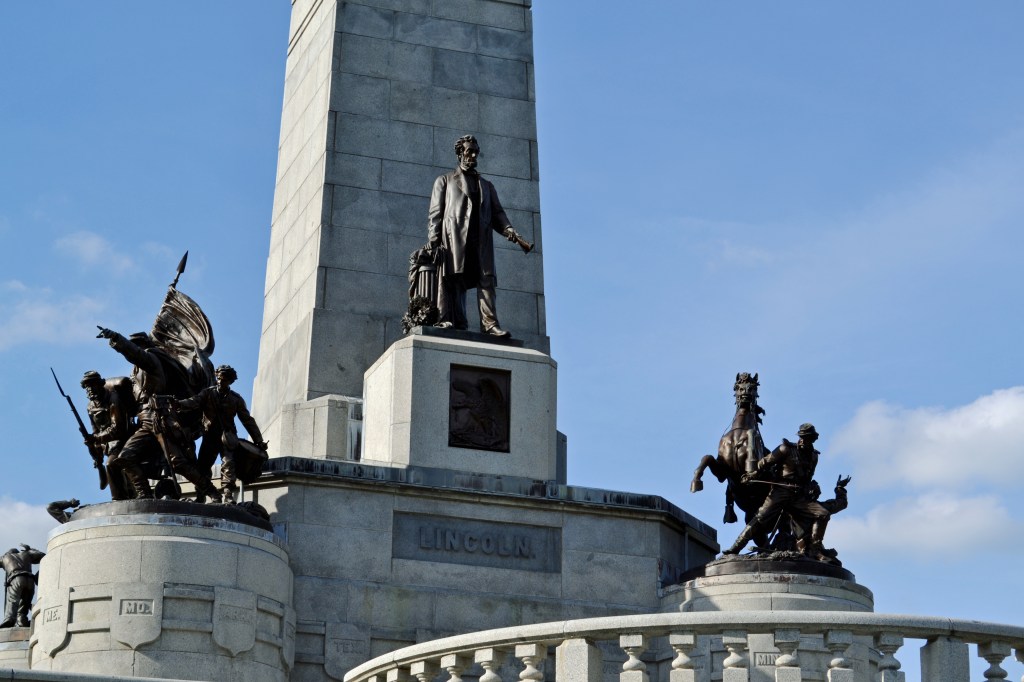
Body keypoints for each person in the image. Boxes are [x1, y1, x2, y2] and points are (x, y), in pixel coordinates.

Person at [96, 328, 221, 503]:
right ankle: (145, 496)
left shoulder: (151, 359)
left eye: (136, 346)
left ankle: (213, 493)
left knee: (178, 462)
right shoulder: (137, 372)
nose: (135, 350)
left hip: (160, 418)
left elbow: (135, 354)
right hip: (145, 421)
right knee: (125, 458)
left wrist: (116, 338)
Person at [427, 135, 529, 337]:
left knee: (487, 280)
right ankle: (449, 320)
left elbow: (498, 214)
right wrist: (434, 240)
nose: (473, 155)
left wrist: (508, 229)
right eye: (469, 151)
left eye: (475, 151)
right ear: (459, 154)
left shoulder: (487, 185)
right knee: (454, 279)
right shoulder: (445, 181)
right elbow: (435, 213)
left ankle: (490, 324)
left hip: (481, 240)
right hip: (454, 238)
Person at [723, 423, 835, 559]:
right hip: (780, 492)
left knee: (823, 514)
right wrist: (753, 474)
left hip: (798, 496)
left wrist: (812, 486)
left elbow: (807, 478)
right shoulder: (785, 449)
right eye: (801, 437)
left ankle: (814, 550)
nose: (802, 440)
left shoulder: (814, 456)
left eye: (806, 438)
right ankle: (736, 547)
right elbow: (764, 463)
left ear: (813, 439)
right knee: (760, 518)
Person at [175, 365, 267, 504]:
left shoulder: (236, 399)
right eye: (218, 378)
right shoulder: (207, 393)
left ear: (230, 381)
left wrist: (258, 441)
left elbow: (248, 421)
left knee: (228, 466)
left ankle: (228, 495)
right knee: (203, 468)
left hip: (227, 438)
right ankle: (201, 496)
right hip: (210, 437)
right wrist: (178, 404)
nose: (219, 382)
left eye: (223, 380)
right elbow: (193, 402)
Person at [81, 371, 134, 500]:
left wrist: (96, 438)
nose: (89, 389)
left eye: (92, 385)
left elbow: (118, 429)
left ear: (101, 385)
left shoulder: (113, 399)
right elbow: (95, 431)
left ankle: (118, 500)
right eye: (86, 387)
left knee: (112, 464)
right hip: (108, 446)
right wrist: (93, 447)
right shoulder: (90, 406)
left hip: (125, 440)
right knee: (116, 471)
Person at [0, 545, 45, 627]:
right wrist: (31, 549)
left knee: (12, 600)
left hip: (16, 578)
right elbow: (45, 557)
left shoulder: (5, 557)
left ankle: (9, 619)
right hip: (30, 580)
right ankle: (21, 620)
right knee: (24, 604)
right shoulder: (27, 554)